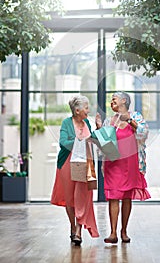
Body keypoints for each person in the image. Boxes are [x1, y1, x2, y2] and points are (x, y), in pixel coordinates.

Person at [96, 91, 151, 244]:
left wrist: (131, 121)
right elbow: (103, 143)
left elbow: (143, 134)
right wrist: (100, 129)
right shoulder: (109, 120)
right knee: (113, 196)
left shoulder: (136, 116)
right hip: (113, 164)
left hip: (130, 163)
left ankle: (124, 231)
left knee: (127, 197)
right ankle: (113, 233)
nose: (111, 101)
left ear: (124, 100)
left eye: (114, 98)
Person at [51, 95, 99, 245]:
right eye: (86, 107)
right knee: (70, 199)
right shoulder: (66, 123)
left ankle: (78, 230)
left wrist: (98, 128)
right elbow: (63, 143)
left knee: (82, 197)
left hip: (85, 164)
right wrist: (79, 141)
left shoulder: (87, 123)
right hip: (67, 163)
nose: (88, 110)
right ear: (77, 110)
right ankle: (73, 227)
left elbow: (94, 140)